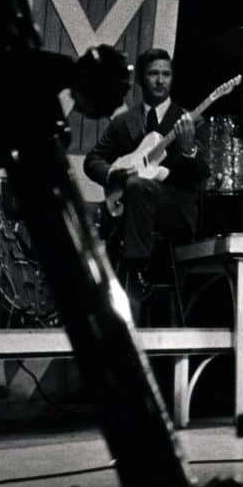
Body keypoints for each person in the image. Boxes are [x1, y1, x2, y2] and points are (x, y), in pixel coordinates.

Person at [84, 49, 208, 311]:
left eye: (166, 74)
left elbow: (201, 174)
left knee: (138, 186)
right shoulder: (123, 122)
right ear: (141, 79)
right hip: (130, 209)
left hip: (175, 211)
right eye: (153, 74)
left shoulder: (188, 119)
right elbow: (92, 160)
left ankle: (135, 269)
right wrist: (113, 174)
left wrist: (188, 151)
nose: (160, 80)